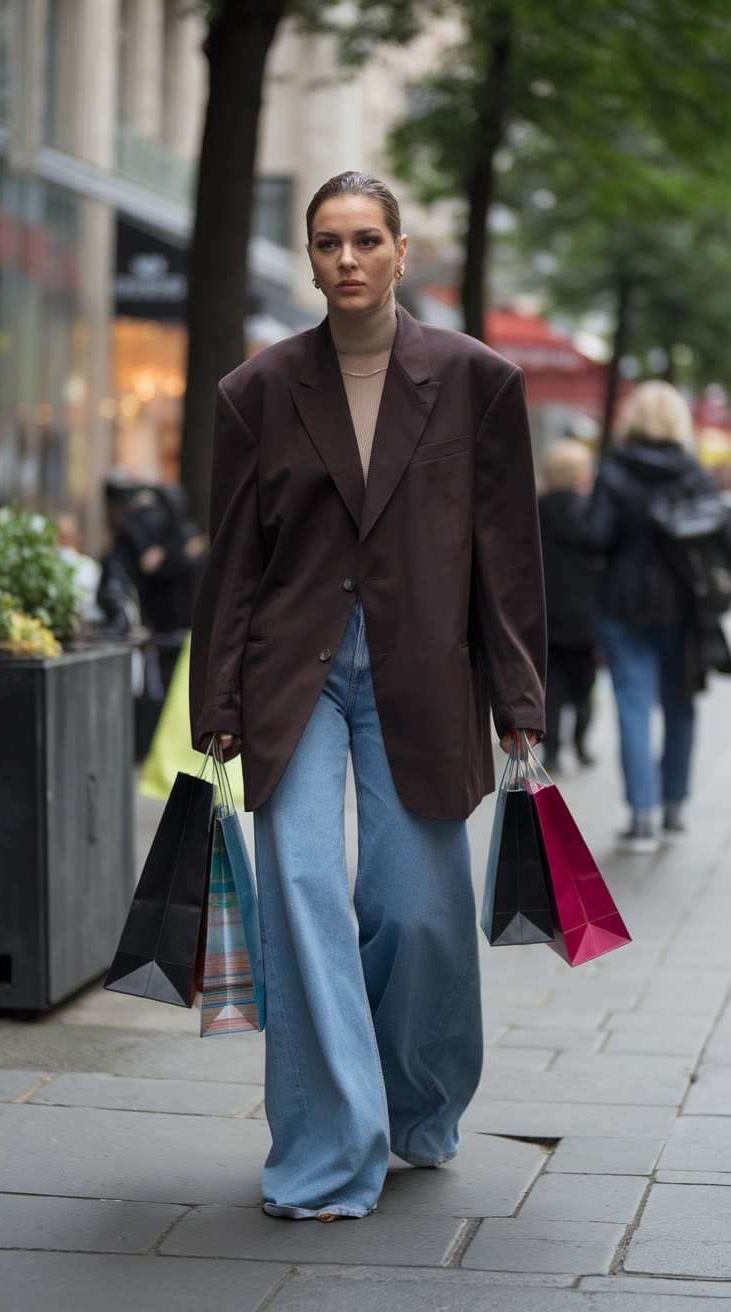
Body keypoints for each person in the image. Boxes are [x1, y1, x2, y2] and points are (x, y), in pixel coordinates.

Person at [190, 171, 546, 1221]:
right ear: (308, 258)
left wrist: (519, 694)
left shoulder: (479, 382)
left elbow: (507, 556)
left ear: (401, 249)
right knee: (302, 899)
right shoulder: (254, 392)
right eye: (328, 242)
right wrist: (218, 697)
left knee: (416, 908)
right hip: (289, 672)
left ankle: (416, 1102)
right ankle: (325, 1151)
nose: (347, 259)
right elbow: (234, 566)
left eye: (365, 240)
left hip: (425, 669)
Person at [582, 381, 719, 854]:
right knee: (681, 704)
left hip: (624, 604)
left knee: (633, 707)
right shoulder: (693, 472)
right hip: (683, 606)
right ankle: (675, 806)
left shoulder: (615, 471)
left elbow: (595, 537)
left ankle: (642, 817)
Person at [538, 440, 600, 774]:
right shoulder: (589, 511)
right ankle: (581, 742)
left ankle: (552, 753)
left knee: (552, 685)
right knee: (584, 686)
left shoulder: (534, 509)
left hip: (546, 613)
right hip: (585, 615)